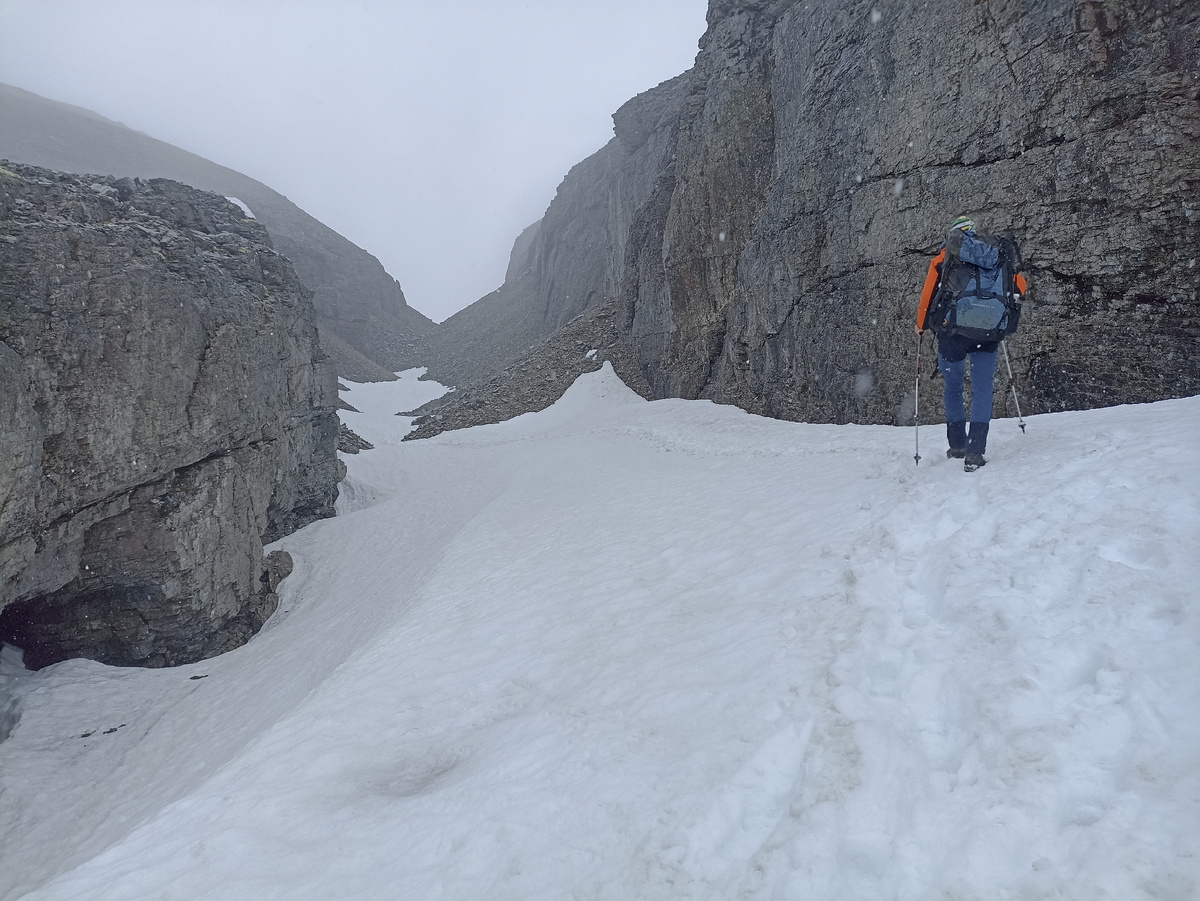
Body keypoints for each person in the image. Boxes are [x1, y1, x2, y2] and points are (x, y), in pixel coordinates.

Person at [915, 216, 1027, 472]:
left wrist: (921, 325)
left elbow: (928, 294)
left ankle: (957, 445)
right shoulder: (998, 255)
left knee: (953, 388)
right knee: (982, 389)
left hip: (952, 332)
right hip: (987, 333)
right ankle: (975, 452)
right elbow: (1020, 286)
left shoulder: (944, 258)